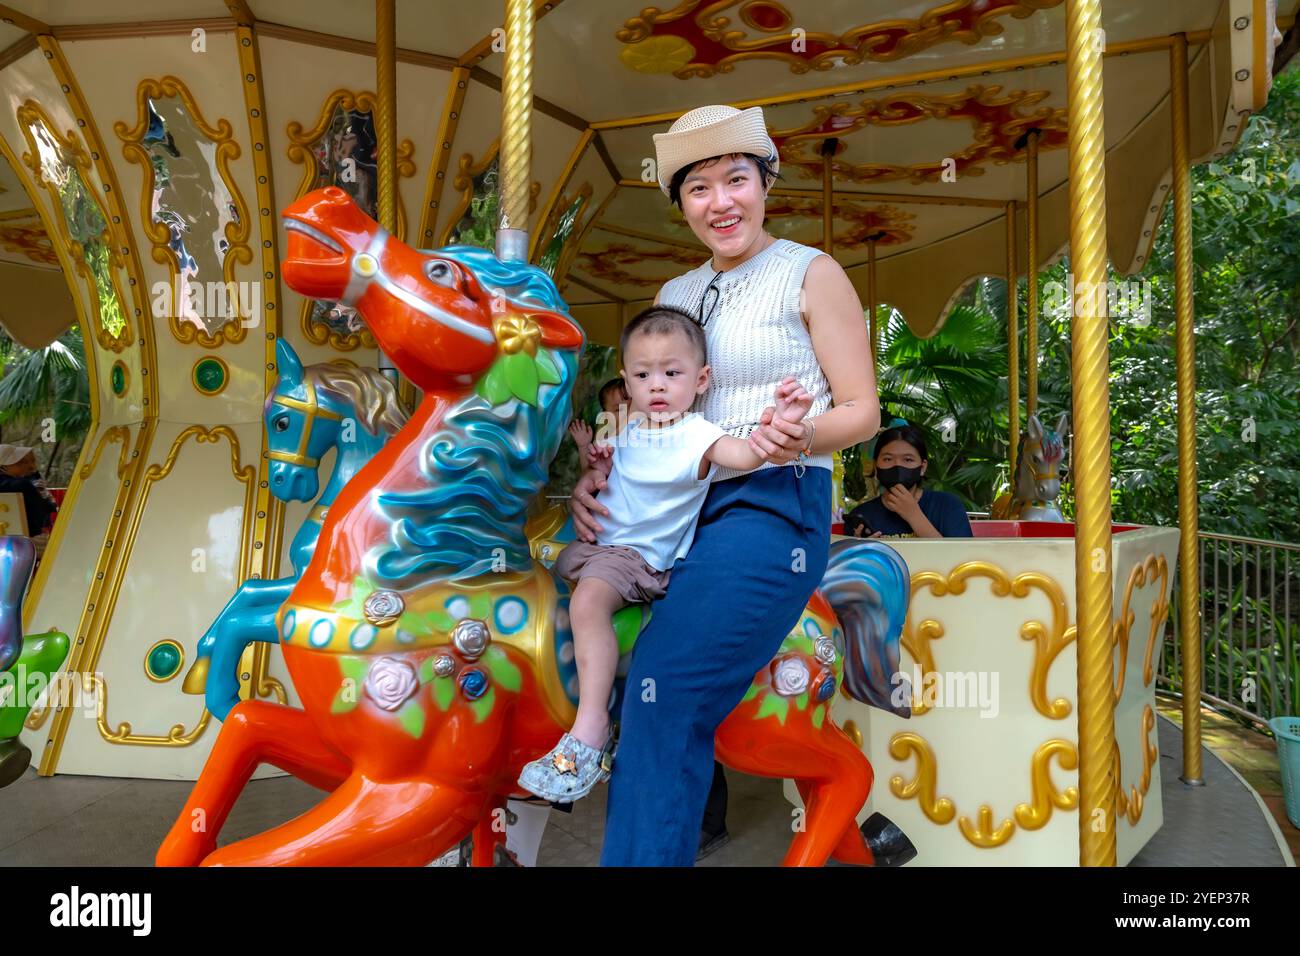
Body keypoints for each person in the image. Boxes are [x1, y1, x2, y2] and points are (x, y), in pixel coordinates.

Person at [567, 104, 880, 866]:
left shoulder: (810, 271)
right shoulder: (677, 292)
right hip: (673, 509)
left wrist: (791, 436)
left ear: (766, 182)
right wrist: (600, 474)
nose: (721, 202)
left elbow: (863, 410)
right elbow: (655, 409)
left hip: (772, 502)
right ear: (681, 206)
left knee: (665, 688)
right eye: (698, 188)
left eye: (736, 179)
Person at [518, 305, 814, 803]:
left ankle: (590, 731)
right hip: (595, 548)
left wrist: (778, 424)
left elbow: (744, 457)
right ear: (626, 380)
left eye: (671, 373)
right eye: (643, 374)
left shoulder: (698, 435)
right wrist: (597, 470)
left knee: (588, 603)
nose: (657, 386)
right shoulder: (626, 430)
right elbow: (611, 483)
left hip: (638, 559)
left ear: (701, 380)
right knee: (539, 577)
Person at [844, 419, 973, 539]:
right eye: (888, 459)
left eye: (908, 459)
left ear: (922, 467)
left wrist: (914, 516)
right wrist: (862, 550)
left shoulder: (947, 505)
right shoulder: (862, 514)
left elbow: (961, 557)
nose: (897, 465)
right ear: (876, 466)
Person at [567, 377, 629, 470]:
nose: (628, 412)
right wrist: (583, 446)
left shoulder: (648, 430)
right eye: (619, 409)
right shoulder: (605, 443)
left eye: (633, 405)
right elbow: (588, 471)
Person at [0, 444, 57, 537]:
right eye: (20, 463)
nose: (25, 466)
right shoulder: (22, 485)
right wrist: (50, 500)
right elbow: (46, 510)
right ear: (4, 467)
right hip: (28, 539)